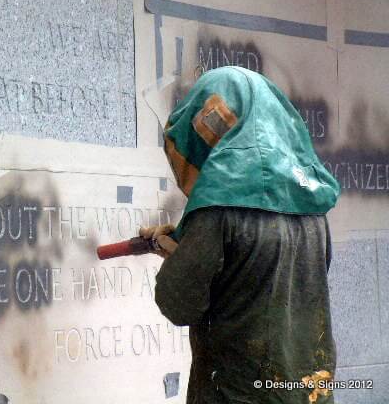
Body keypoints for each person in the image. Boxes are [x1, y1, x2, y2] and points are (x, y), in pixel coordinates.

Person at [141, 66, 340, 404]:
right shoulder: (311, 206)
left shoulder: (217, 209)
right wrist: (189, 245)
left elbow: (178, 304)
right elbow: (267, 277)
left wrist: (182, 256)